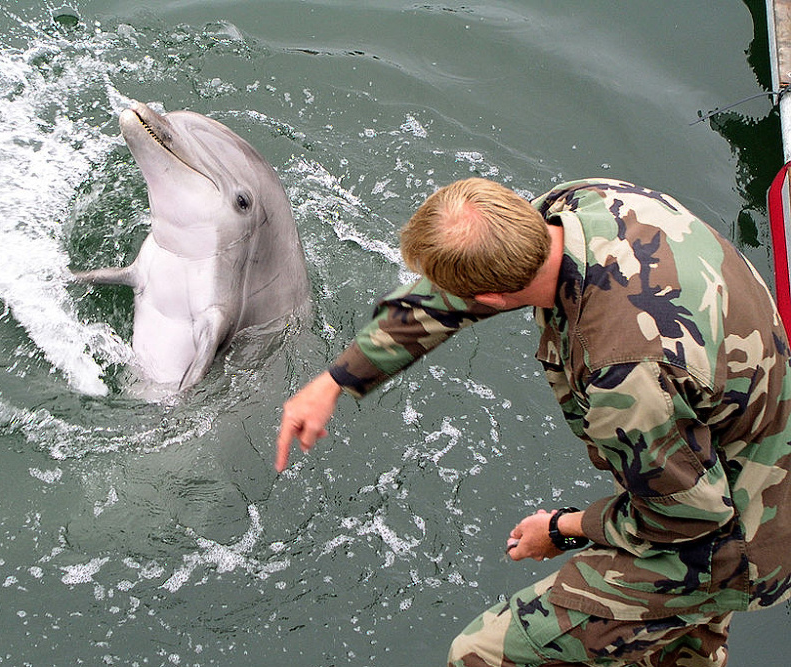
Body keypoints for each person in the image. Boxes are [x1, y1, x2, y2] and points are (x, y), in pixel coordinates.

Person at [274, 177, 791, 666]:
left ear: (494, 301)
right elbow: (456, 292)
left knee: (481, 654)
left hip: (739, 543)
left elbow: (686, 520)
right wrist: (336, 380)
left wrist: (562, 529)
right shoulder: (579, 206)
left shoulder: (623, 376)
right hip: (743, 441)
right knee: (672, 649)